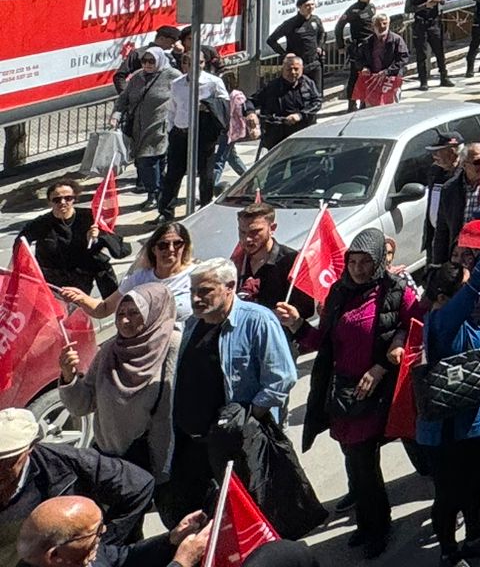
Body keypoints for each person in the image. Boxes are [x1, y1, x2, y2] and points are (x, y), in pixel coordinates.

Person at [283, 228, 415, 558]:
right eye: (351, 262)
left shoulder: (395, 291)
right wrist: (299, 325)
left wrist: (384, 363)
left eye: (364, 262)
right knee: (354, 464)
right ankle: (366, 524)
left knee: (364, 463)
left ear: (377, 263)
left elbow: (416, 327)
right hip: (343, 393)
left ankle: (379, 527)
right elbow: (322, 344)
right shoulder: (338, 293)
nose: (357, 268)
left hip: (379, 391)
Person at [162, 259, 299, 521]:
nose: (196, 298)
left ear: (230, 287)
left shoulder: (257, 320)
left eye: (205, 291)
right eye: (193, 291)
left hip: (238, 443)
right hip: (196, 444)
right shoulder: (193, 324)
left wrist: (250, 417)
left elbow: (281, 378)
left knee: (256, 514)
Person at [419, 255, 480, 567]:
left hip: (476, 421)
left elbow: (471, 340)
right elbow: (478, 283)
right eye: (465, 288)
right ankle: (449, 552)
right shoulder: (442, 319)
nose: (474, 293)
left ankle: (475, 537)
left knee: (476, 483)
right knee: (449, 495)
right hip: (447, 429)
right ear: (443, 297)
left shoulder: (461, 319)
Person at [55, 284, 180, 478]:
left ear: (154, 313)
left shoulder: (174, 347)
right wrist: (69, 376)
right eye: (120, 313)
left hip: (156, 463)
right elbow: (83, 405)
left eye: (134, 313)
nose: (124, 320)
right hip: (109, 460)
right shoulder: (110, 351)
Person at [0, 410, 155, 565]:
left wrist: (95, 547)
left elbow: (139, 484)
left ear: (30, 448)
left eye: (7, 460)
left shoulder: (67, 464)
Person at [19, 495, 210, 567]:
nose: (104, 530)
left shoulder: (81, 554)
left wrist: (172, 539)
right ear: (55, 555)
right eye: (95, 532)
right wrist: (182, 562)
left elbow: (122, 557)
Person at [64, 219, 195, 321]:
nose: (171, 249)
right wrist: (81, 298)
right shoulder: (139, 278)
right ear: (154, 249)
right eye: (163, 245)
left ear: (185, 246)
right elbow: (104, 308)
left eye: (177, 243)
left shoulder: (195, 276)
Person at [155, 44, 228, 218]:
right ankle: (166, 212)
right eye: (193, 63)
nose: (199, 66)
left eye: (201, 62)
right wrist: (171, 128)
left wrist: (208, 106)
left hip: (204, 134)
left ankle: (204, 207)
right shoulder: (177, 84)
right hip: (180, 133)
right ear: (184, 65)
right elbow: (172, 108)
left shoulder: (213, 82)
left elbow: (225, 103)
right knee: (173, 174)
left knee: (205, 173)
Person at [20, 179, 114, 297]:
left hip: (81, 276)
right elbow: (20, 245)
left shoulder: (89, 217)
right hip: (52, 280)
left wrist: (99, 236)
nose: (63, 202)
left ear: (75, 199)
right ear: (50, 202)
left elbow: (120, 249)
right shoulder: (40, 224)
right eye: (57, 199)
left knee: (79, 311)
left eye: (68, 198)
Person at [113, 41, 176, 210]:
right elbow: (124, 98)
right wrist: (116, 114)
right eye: (144, 61)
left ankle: (154, 193)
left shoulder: (172, 76)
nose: (147, 65)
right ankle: (161, 192)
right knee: (150, 161)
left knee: (149, 160)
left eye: (151, 61)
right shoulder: (137, 78)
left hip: (160, 126)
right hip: (138, 127)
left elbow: (186, 94)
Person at [252, 53, 322, 152]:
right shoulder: (272, 87)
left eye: (296, 69)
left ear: (302, 69)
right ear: (283, 70)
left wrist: (300, 115)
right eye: (289, 69)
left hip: (303, 133)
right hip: (278, 135)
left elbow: (317, 102)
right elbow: (251, 101)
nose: (293, 72)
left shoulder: (308, 84)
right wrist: (251, 116)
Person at [406, 0, 452, 89]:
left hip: (434, 24)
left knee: (439, 51)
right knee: (421, 54)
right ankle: (423, 81)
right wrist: (424, 5)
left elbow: (445, 0)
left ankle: (444, 77)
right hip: (420, 25)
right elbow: (408, 9)